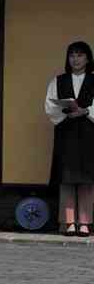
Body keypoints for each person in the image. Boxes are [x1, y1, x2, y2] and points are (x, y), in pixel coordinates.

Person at [45, 41, 94, 237]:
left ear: (88, 58)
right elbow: (50, 106)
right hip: (66, 133)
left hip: (90, 133)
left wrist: (86, 110)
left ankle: (85, 223)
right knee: (66, 178)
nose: (75, 59)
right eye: (72, 55)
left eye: (80, 55)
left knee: (87, 179)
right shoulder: (58, 81)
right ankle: (68, 223)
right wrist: (66, 111)